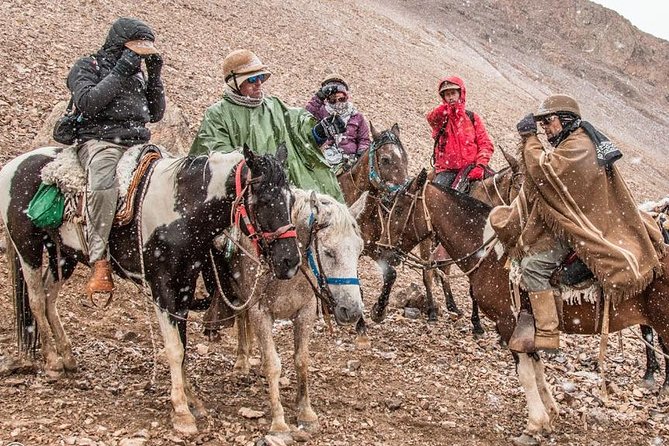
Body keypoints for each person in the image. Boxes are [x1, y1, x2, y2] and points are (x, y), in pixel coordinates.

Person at [490, 94, 666, 352]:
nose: (545, 129)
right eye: (542, 124)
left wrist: (529, 139)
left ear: (565, 120)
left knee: (534, 267)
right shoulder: (577, 141)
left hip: (583, 227)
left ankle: (548, 333)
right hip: (583, 218)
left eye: (548, 122)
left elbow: (546, 172)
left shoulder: (579, 146)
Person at [69, 17, 166, 298]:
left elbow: (156, 113)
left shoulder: (139, 74)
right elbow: (88, 103)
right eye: (135, 51)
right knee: (102, 184)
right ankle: (99, 260)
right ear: (118, 46)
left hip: (137, 141)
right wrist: (122, 69)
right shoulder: (89, 66)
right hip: (101, 141)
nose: (138, 58)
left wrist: (155, 76)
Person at [190, 49, 345, 202]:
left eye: (261, 77)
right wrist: (260, 174)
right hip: (251, 199)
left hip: (288, 194)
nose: (258, 83)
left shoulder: (275, 106)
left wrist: (319, 131)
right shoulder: (217, 114)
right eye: (251, 79)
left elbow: (299, 134)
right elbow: (217, 158)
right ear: (234, 83)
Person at [426, 76, 494, 191]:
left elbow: (485, 144)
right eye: (447, 95)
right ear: (443, 98)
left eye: (453, 93)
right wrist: (446, 109)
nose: (451, 97)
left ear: (460, 93)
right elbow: (431, 119)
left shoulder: (472, 118)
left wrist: (480, 165)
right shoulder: (442, 118)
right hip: (447, 171)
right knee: (436, 197)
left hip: (472, 168)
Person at [305, 75, 370, 166]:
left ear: (346, 97)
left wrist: (360, 154)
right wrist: (318, 98)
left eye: (341, 99)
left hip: (350, 162)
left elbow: (364, 139)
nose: (337, 102)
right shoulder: (321, 111)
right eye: (333, 100)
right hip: (325, 159)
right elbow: (303, 118)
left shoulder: (357, 116)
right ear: (327, 99)